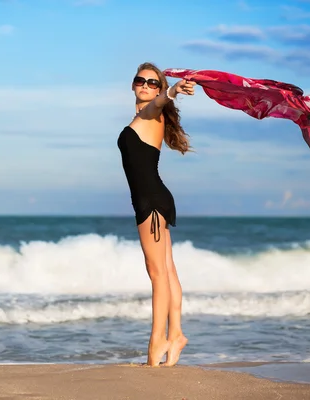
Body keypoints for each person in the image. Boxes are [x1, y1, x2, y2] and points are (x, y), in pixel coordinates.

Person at [117, 62, 196, 367]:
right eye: (141, 81)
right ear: (133, 83)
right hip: (156, 199)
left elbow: (163, 100)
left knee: (158, 274)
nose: (146, 86)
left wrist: (173, 90)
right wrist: (169, 92)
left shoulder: (152, 111)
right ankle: (175, 334)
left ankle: (157, 343)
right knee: (168, 270)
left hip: (150, 203)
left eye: (153, 83)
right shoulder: (145, 116)